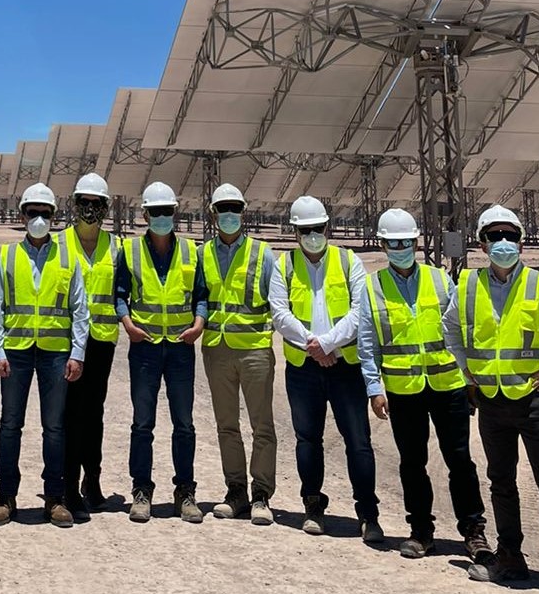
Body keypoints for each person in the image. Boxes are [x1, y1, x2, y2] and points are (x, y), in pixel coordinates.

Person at [445, 205, 539, 594]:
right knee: (502, 483)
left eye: (510, 235)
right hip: (491, 403)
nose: (503, 243)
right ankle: (510, 556)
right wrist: (466, 372)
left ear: (521, 242)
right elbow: (450, 331)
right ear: (481, 243)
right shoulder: (467, 286)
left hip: (535, 402)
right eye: (495, 236)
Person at [357, 208, 490, 562]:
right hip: (404, 390)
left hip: (448, 385)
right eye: (392, 242)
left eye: (405, 241)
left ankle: (473, 531)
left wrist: (469, 378)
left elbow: (458, 331)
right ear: (383, 245)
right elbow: (367, 344)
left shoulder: (440, 279)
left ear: (415, 242)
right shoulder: (372, 287)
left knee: (460, 459)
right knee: (412, 462)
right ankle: (421, 531)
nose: (399, 247)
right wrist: (374, 388)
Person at [269, 195, 381, 541]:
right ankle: (313, 504)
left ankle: (368, 513)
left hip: (345, 366)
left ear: (327, 228)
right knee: (307, 439)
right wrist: (313, 346)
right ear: (295, 232)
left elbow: (360, 310)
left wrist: (328, 343)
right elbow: (279, 313)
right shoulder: (284, 265)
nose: (312, 235)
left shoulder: (349, 262)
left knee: (358, 441)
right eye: (305, 230)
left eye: (317, 229)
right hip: (304, 367)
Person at [0, 182, 88, 528]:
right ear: (23, 215)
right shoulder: (8, 257)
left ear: (54, 217)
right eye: (34, 213)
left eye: (46, 214)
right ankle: (5, 497)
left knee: (55, 428)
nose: (40, 220)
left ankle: (55, 498)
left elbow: (80, 309)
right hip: (14, 353)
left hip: (55, 354)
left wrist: (77, 353)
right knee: (10, 425)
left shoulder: (67, 258)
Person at [117, 181, 208, 524]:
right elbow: (120, 294)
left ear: (175, 212)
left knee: (184, 424)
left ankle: (185, 491)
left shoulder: (190, 251)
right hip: (145, 348)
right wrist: (127, 324)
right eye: (155, 212)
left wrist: (199, 324)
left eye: (167, 211)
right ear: (145, 214)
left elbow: (201, 294)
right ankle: (141, 491)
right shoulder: (130, 251)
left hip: (181, 348)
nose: (161, 217)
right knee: (143, 423)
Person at [200, 183, 277, 526]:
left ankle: (261, 494)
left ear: (243, 212)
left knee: (262, 426)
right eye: (223, 208)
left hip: (255, 351)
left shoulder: (264, 254)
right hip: (217, 351)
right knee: (226, 426)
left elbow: (279, 304)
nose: (229, 214)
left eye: (235, 208)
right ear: (213, 214)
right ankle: (236, 491)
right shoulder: (201, 254)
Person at [62, 172, 120, 519]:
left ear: (106, 207)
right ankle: (68, 483)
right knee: (70, 415)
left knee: (94, 413)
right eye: (84, 202)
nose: (90, 209)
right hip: (67, 343)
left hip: (101, 342)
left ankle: (92, 479)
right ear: (74, 205)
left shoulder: (117, 247)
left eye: (97, 204)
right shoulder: (59, 244)